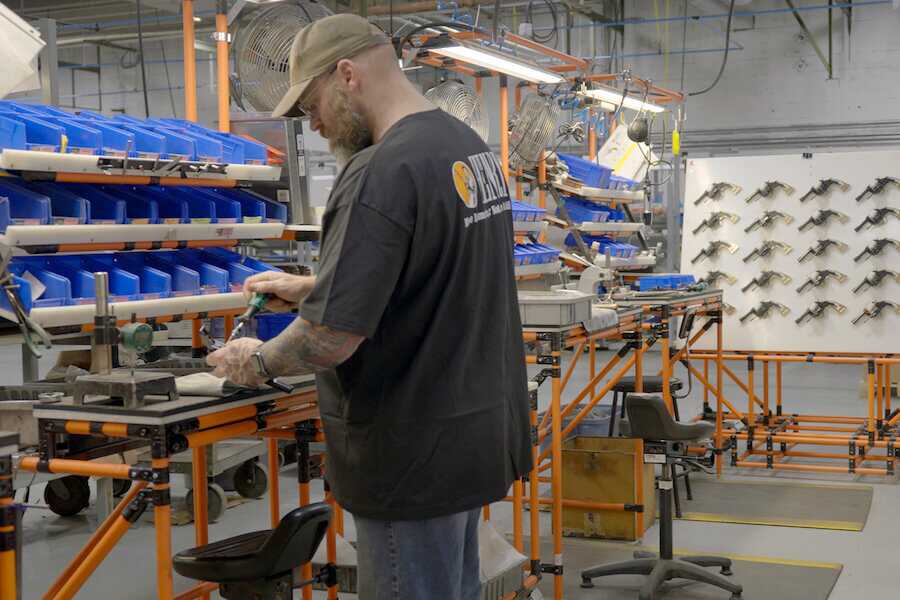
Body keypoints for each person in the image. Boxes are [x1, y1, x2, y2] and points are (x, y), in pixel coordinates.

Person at [207, 13, 531, 600]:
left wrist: (254, 360)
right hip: (469, 438)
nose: (315, 123)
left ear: (347, 75)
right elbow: (435, 272)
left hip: (408, 454)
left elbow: (331, 338)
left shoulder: (380, 169)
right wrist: (313, 286)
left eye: (312, 106)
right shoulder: (466, 147)